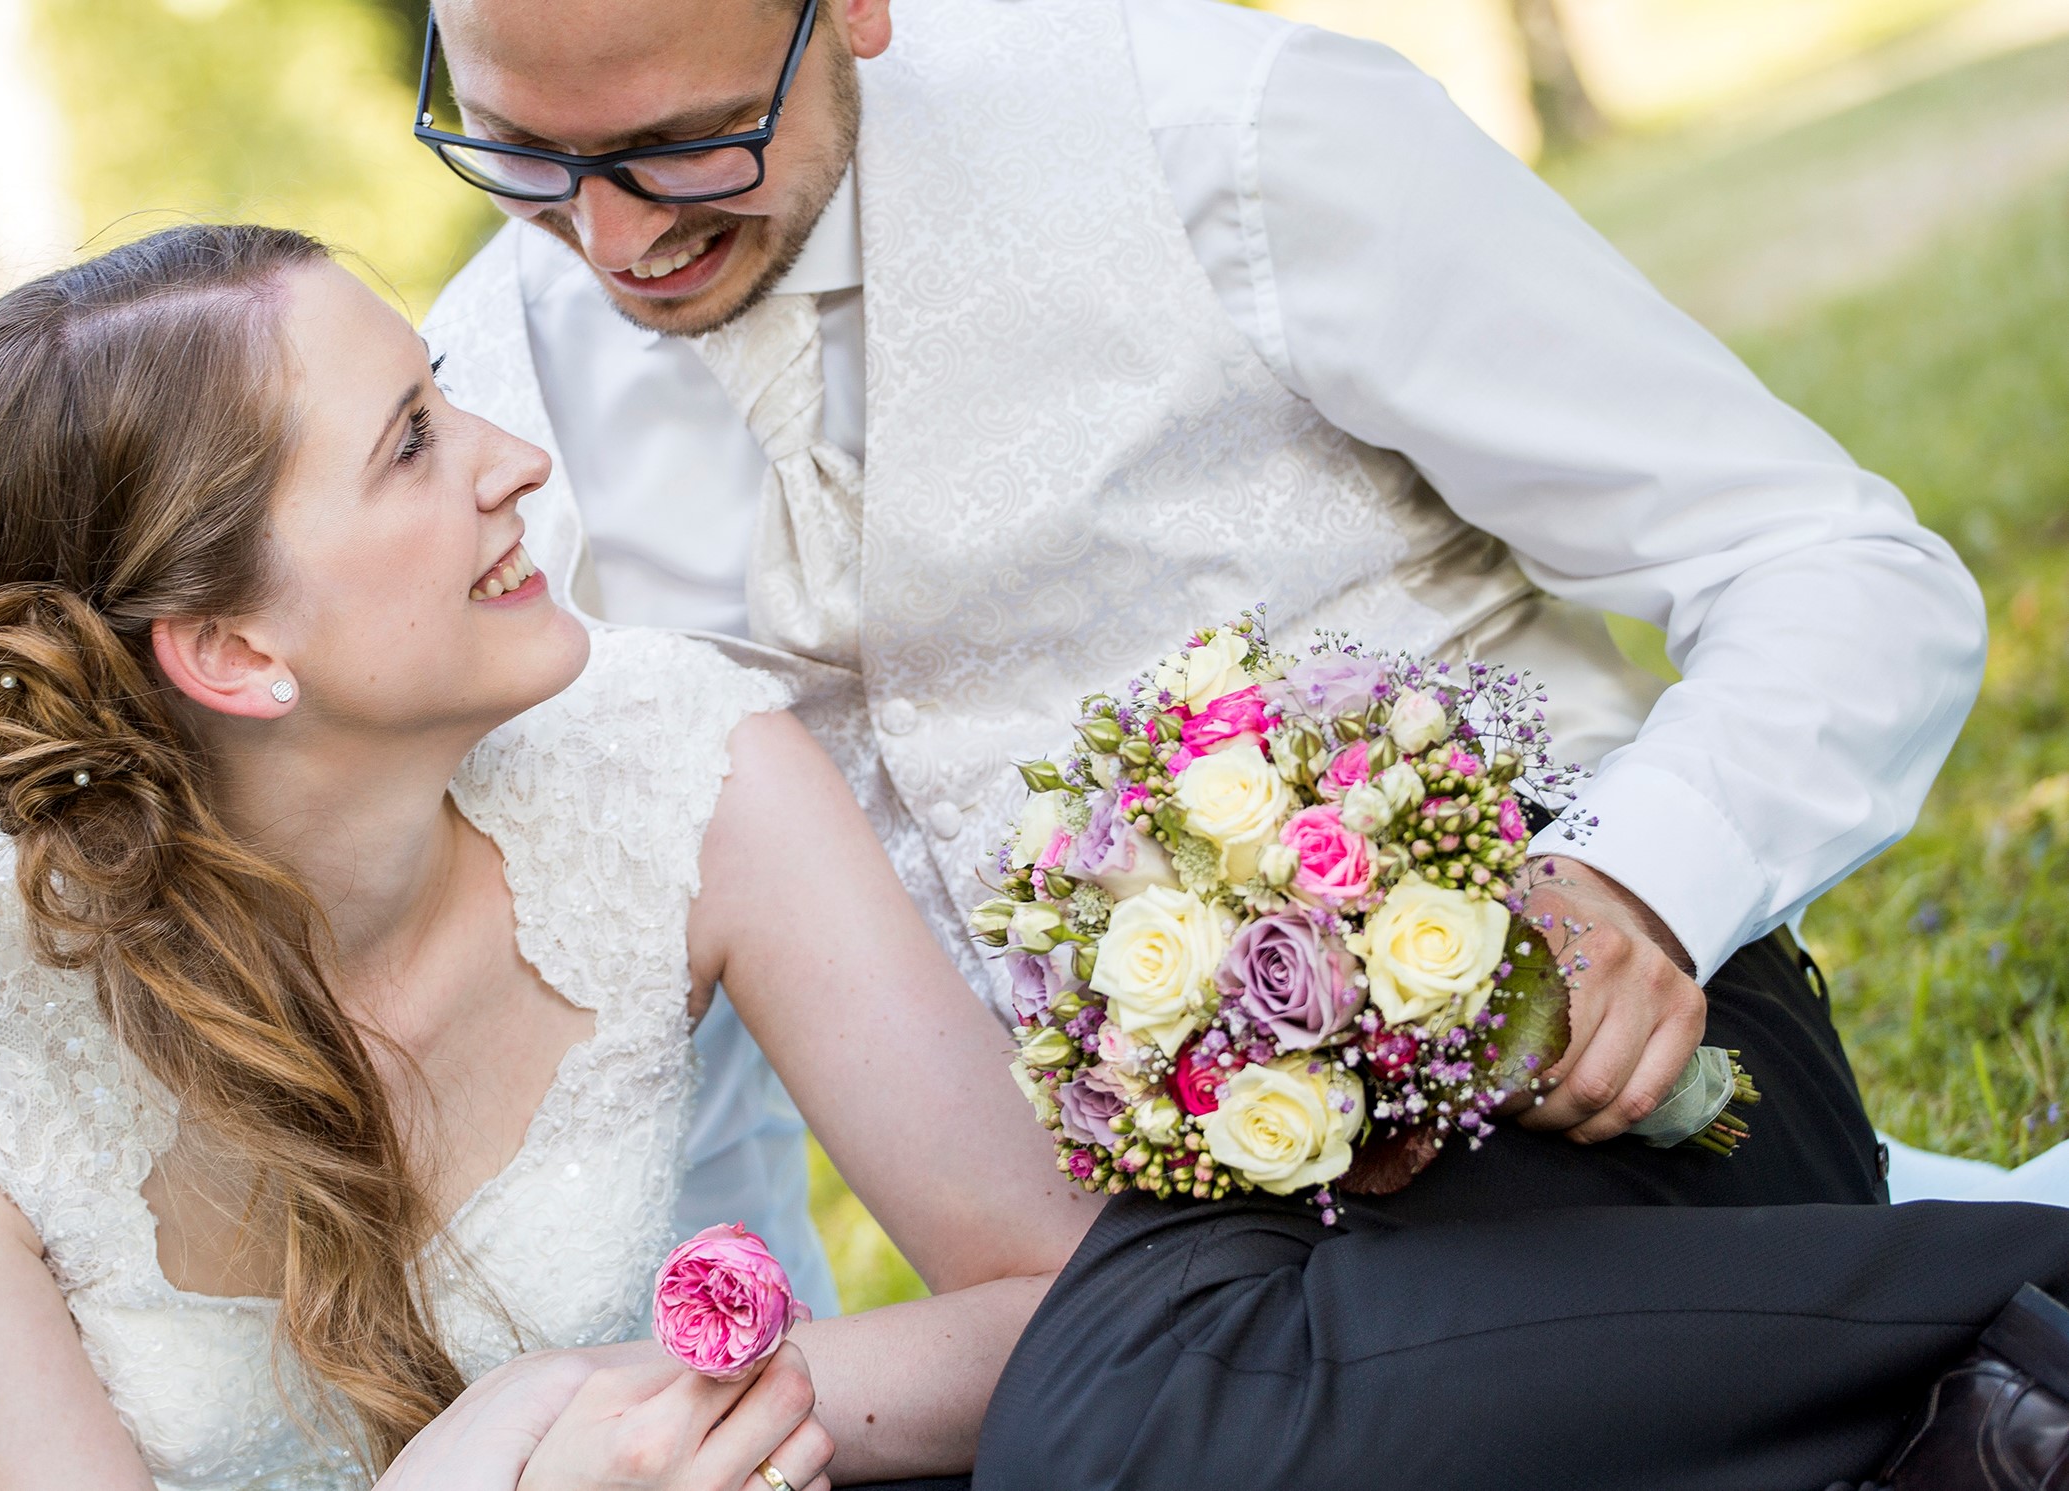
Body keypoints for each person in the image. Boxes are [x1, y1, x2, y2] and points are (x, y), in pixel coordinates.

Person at [413, 0, 1990, 1299]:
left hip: (1550, 1101)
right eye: (519, 150)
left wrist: (1642, 876)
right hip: (1111, 1293)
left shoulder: (1223, 137)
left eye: (684, 141)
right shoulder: (481, 406)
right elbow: (638, 1009)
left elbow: (1831, 569)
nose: (607, 237)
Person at [0, 223, 1100, 1491]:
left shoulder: (679, 756)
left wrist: (607, 1406)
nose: (517, 460)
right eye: (412, 443)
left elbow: (1063, 1295)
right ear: (238, 653)